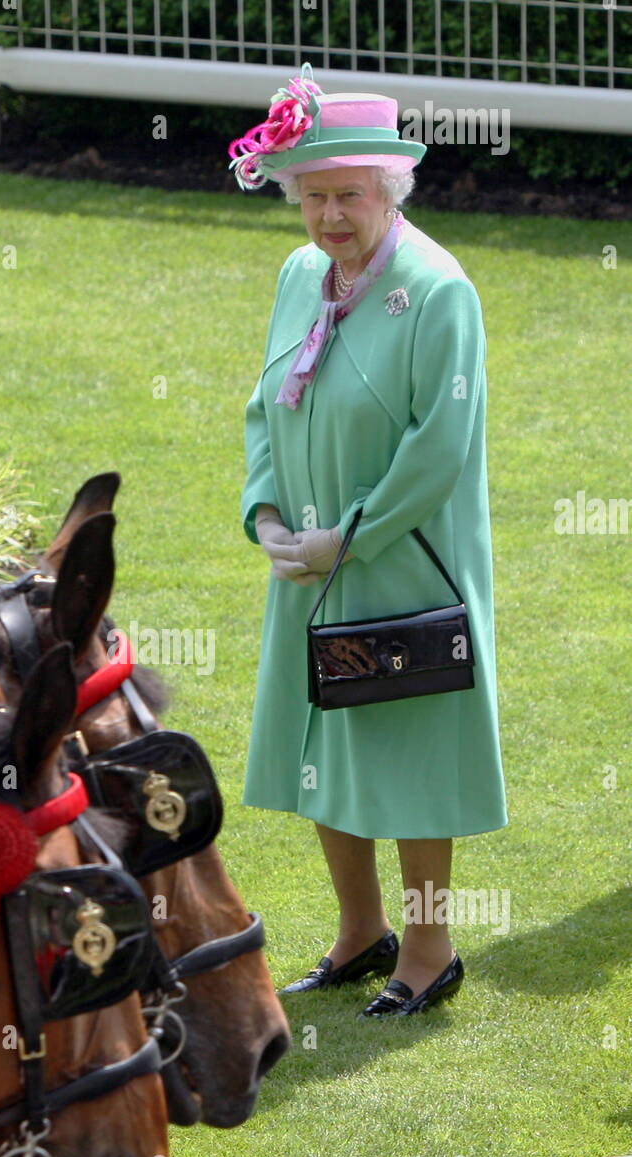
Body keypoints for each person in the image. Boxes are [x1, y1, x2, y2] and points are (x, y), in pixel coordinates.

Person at [231, 65, 507, 1016]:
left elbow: (438, 450)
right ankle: (360, 931)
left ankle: (429, 949)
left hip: (399, 562)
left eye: (348, 193)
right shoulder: (300, 274)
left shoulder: (436, 293)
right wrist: (266, 513)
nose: (329, 215)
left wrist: (343, 540)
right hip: (305, 567)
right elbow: (265, 404)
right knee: (324, 737)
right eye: (311, 195)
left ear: (389, 189)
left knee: (413, 754)